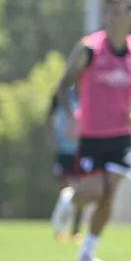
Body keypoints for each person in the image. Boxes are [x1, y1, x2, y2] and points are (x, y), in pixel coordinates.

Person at [54, 0, 131, 261]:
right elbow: (63, 85)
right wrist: (72, 116)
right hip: (91, 135)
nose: (112, 19)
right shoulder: (89, 49)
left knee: (109, 193)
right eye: (108, 13)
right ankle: (71, 199)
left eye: (118, 12)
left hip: (121, 136)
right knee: (94, 191)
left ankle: (88, 250)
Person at [48, 87, 83, 242]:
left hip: (82, 150)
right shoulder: (60, 94)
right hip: (63, 150)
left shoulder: (87, 92)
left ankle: (76, 230)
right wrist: (51, 137)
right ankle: (60, 228)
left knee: (81, 191)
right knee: (65, 190)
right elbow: (49, 118)